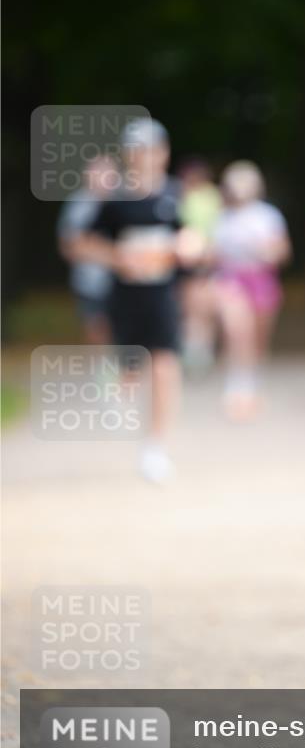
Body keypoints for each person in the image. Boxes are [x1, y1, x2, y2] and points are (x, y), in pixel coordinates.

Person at [74, 118, 203, 482]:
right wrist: (118, 257)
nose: (145, 157)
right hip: (125, 298)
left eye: (151, 150)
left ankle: (155, 447)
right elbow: (82, 242)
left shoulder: (176, 195)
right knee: (130, 369)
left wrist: (189, 246)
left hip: (163, 297)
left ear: (164, 153)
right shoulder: (115, 198)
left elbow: (194, 237)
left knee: (164, 364)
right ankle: (119, 393)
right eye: (138, 151)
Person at [212, 160, 291, 420]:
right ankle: (236, 387)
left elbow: (282, 251)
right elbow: (213, 253)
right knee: (237, 332)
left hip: (261, 279)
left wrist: (265, 251)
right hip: (232, 280)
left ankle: (252, 385)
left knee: (258, 339)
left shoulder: (268, 216)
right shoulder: (223, 217)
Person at [57, 154, 120, 344]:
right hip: (90, 283)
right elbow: (70, 247)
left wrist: (94, 248)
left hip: (122, 284)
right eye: (97, 172)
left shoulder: (125, 201)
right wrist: (114, 256)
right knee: (96, 330)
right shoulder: (78, 205)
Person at [176, 156, 222, 372]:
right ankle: (194, 349)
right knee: (191, 307)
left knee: (203, 307)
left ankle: (200, 349)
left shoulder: (211, 197)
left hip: (207, 256)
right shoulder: (184, 196)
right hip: (189, 257)